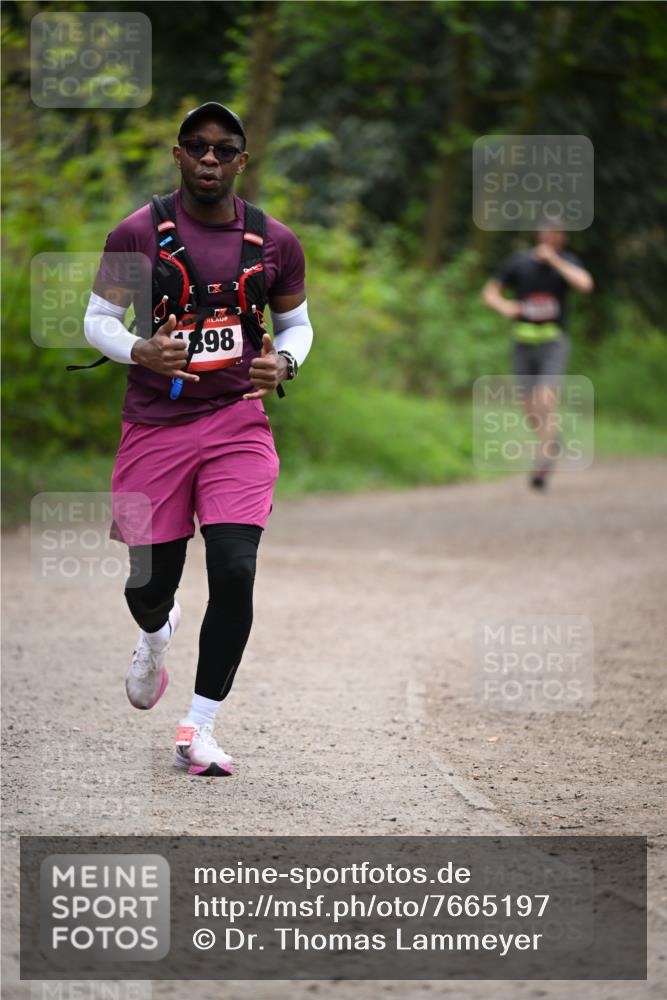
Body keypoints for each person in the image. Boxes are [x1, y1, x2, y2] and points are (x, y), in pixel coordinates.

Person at [84, 102, 313, 776]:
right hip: (153, 426)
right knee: (147, 582)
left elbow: (295, 326)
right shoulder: (136, 232)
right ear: (178, 155)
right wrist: (137, 350)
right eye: (197, 147)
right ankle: (156, 634)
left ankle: (198, 729)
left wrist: (287, 361)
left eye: (224, 149)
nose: (209, 160)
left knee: (235, 571)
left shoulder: (275, 241)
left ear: (242, 161)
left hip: (237, 424)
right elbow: (96, 319)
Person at [482, 223, 593, 489]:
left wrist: (554, 261)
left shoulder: (566, 263)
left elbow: (585, 285)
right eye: (546, 233)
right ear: (539, 235)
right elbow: (489, 292)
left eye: (556, 235)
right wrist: (504, 306)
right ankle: (551, 440)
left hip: (553, 342)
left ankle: (543, 464)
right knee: (529, 408)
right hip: (522, 342)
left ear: (563, 239)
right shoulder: (518, 263)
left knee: (546, 399)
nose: (550, 238)